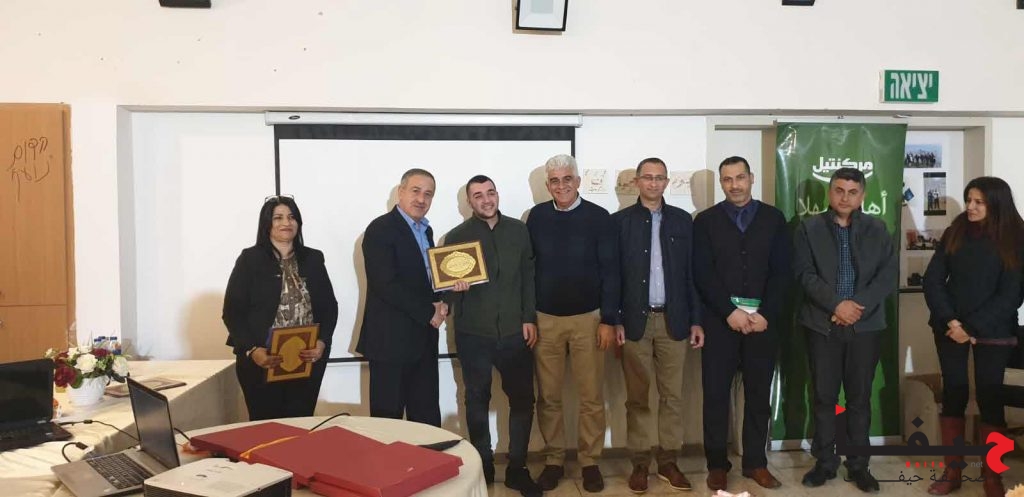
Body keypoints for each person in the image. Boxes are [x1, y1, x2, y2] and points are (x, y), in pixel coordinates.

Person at [793, 167, 897, 493]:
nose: (845, 197)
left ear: (862, 195)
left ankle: (858, 465)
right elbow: (804, 274)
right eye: (839, 190)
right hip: (821, 324)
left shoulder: (878, 229)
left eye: (853, 192)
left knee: (859, 399)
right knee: (823, 397)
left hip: (865, 326)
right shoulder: (808, 228)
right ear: (830, 192)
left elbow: (887, 275)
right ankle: (825, 463)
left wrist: (855, 307)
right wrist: (837, 305)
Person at [923, 177, 1024, 497]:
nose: (971, 206)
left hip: (994, 330)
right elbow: (933, 280)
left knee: (990, 399)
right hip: (949, 327)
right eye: (969, 199)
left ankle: (992, 478)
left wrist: (971, 327)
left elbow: (1012, 295)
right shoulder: (956, 230)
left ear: (996, 203)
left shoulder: (1017, 236)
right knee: (954, 393)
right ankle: (952, 473)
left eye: (979, 202)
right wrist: (952, 322)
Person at [693, 156, 790, 492]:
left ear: (751, 178)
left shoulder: (774, 219)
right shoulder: (705, 221)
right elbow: (702, 273)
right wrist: (728, 312)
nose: (734, 185)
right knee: (715, 397)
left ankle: (756, 463)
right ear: (721, 183)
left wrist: (766, 314)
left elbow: (782, 273)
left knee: (758, 397)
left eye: (740, 178)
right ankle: (717, 465)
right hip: (721, 324)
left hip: (762, 325)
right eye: (727, 179)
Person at [444, 175, 542, 497]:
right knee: (476, 400)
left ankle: (517, 469)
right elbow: (446, 292)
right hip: (473, 334)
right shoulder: (456, 237)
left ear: (497, 195)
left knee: (523, 400)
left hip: (515, 332)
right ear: (469, 202)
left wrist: (529, 318)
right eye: (478, 196)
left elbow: (528, 277)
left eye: (490, 193)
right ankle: (483, 466)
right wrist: (455, 288)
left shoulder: (518, 230)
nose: (486, 200)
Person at [527, 154, 619, 493]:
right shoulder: (536, 217)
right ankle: (554, 460)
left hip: (588, 320)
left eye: (567, 179)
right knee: (548, 397)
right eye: (554, 180)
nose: (561, 186)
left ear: (578, 181)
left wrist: (608, 320)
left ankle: (589, 461)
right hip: (546, 320)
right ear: (547, 185)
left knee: (591, 396)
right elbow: (529, 269)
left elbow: (611, 272)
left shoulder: (599, 218)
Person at [611, 157, 704, 494]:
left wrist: (696, 320)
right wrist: (614, 319)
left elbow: (692, 274)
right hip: (635, 322)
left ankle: (668, 461)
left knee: (672, 397)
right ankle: (639, 462)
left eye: (659, 178)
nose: (653, 183)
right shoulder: (619, 222)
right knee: (637, 398)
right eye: (647, 177)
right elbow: (613, 276)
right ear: (636, 182)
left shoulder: (682, 221)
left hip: (673, 321)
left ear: (667, 182)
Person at [223, 195, 338, 421]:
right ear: (267, 223)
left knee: (301, 426)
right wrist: (252, 350)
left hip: (306, 359)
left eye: (292, 217)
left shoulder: (313, 258)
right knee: (266, 428)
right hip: (262, 359)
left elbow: (329, 307)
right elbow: (232, 313)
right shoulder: (250, 259)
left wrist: (322, 342)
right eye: (278, 218)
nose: (286, 222)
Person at [356, 168, 447, 427]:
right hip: (390, 344)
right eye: (416, 191)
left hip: (423, 341)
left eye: (428, 194)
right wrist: (429, 311)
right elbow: (385, 284)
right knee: (388, 425)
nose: (421, 199)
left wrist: (445, 299)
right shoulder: (380, 229)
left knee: (426, 422)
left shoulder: (426, 231)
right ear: (401, 192)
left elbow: (426, 281)